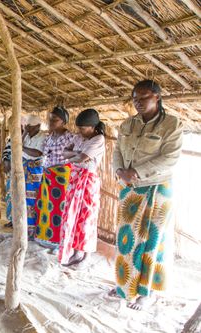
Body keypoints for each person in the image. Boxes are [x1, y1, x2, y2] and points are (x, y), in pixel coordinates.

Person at [110, 80, 183, 310]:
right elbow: (117, 151)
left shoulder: (171, 125)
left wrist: (137, 172)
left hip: (156, 188)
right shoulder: (127, 124)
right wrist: (120, 171)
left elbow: (170, 158)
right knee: (127, 240)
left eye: (144, 97)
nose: (138, 102)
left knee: (152, 241)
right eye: (134, 98)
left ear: (157, 97)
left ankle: (147, 292)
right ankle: (125, 285)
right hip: (130, 189)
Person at [58, 109, 106, 266]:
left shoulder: (98, 139)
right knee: (73, 215)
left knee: (86, 218)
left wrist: (75, 154)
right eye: (79, 128)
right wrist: (76, 154)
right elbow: (64, 153)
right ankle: (76, 252)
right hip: (75, 180)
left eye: (83, 128)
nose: (79, 131)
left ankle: (85, 255)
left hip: (87, 182)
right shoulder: (80, 137)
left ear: (92, 127)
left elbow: (81, 157)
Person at [33, 106, 74, 248]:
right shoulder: (49, 137)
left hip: (62, 176)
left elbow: (73, 156)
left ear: (63, 122)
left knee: (59, 207)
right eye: (50, 119)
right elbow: (44, 154)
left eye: (55, 120)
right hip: (48, 175)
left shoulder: (70, 137)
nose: (51, 122)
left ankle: (59, 239)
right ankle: (45, 236)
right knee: (46, 206)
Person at [22, 115, 47, 239]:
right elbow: (17, 146)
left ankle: (34, 230)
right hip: (25, 169)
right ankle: (26, 228)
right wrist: (25, 132)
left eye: (30, 127)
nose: (28, 128)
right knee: (24, 200)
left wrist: (22, 148)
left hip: (35, 171)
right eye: (27, 126)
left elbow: (37, 153)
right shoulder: (26, 135)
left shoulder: (42, 137)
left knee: (34, 200)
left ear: (38, 126)